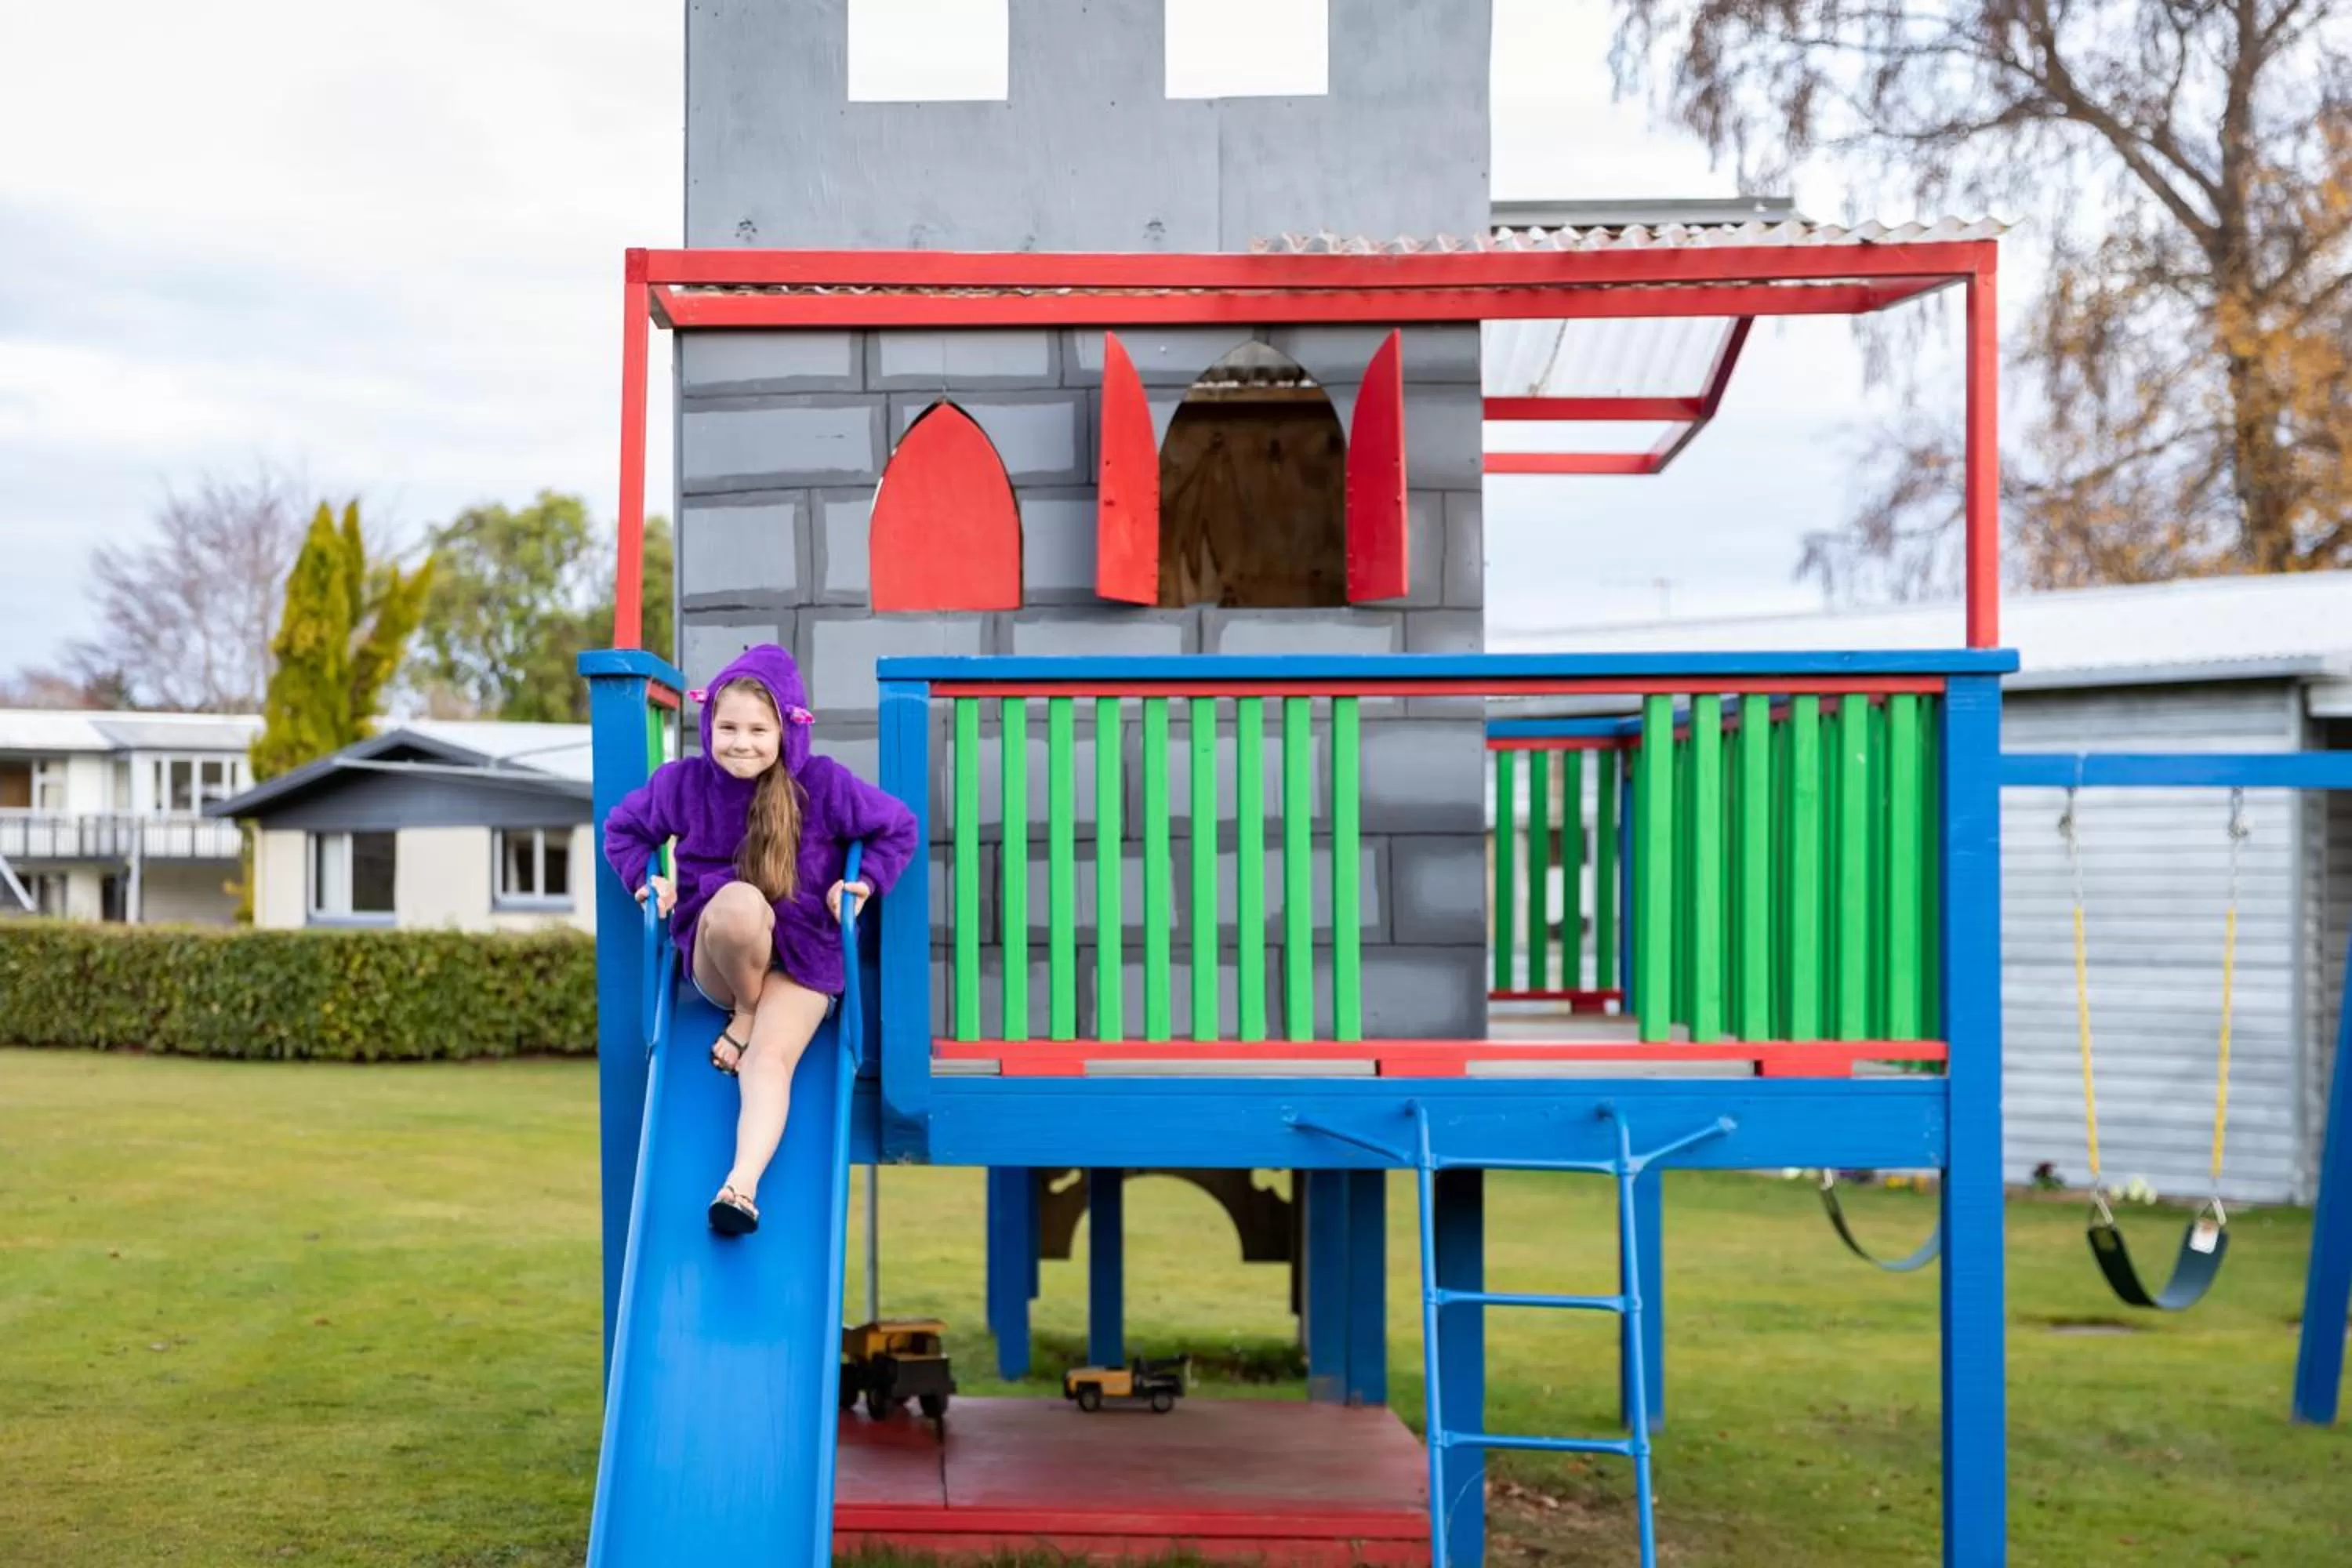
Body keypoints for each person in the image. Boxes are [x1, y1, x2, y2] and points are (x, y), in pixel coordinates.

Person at [603, 644, 917, 1236]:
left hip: (803, 958)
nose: (739, 743)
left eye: (756, 729)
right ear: (708, 725)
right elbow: (623, 829)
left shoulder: (821, 785)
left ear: (787, 730)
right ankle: (745, 1010)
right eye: (726, 728)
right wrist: (646, 882)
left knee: (770, 1060)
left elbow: (897, 828)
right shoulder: (686, 783)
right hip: (724, 955)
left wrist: (862, 883)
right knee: (740, 904)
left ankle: (740, 1187)